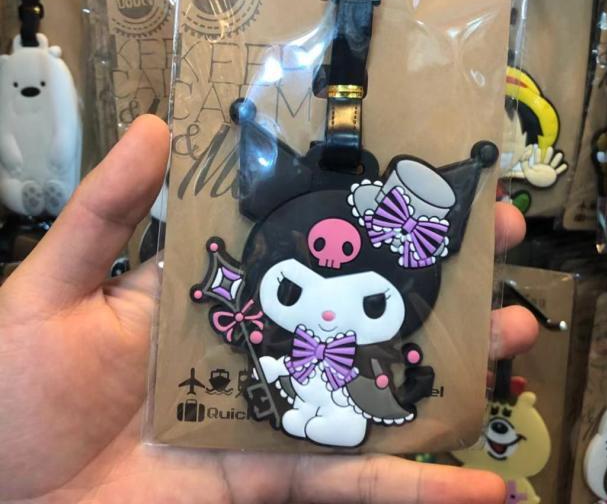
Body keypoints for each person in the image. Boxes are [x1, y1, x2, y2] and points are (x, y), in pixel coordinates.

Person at [0, 115, 537, 504]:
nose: (329, 316)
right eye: (293, 292)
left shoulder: (369, 351)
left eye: (372, 303)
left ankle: (334, 417)